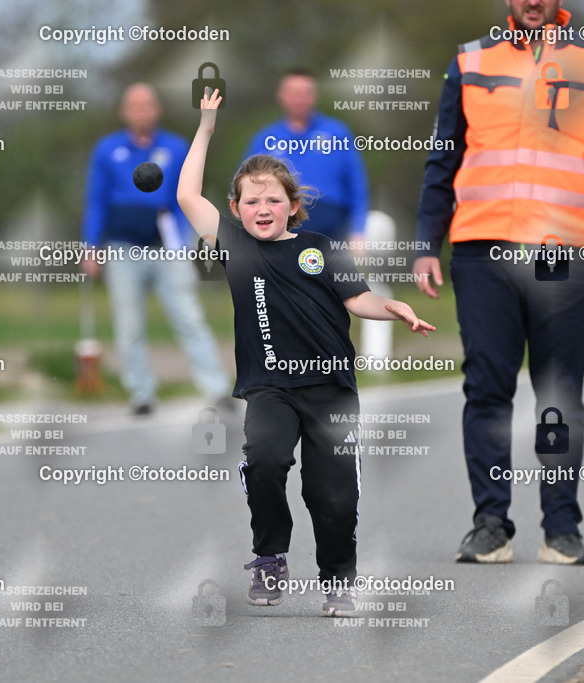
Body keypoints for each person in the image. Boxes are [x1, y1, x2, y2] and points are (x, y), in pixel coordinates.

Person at [414, 0, 584, 565]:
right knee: (486, 389)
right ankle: (490, 525)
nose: (531, 1)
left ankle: (561, 529)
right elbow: (443, 157)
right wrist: (426, 243)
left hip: (567, 251)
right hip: (483, 250)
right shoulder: (471, 61)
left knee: (559, 394)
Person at [179, 87, 434, 615]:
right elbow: (187, 196)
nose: (263, 208)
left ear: (293, 206)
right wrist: (205, 128)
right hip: (269, 387)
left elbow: (358, 299)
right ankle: (270, 557)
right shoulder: (235, 247)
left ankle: (338, 579)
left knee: (332, 496)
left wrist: (394, 308)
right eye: (251, 201)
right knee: (265, 459)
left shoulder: (321, 249)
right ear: (236, 210)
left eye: (274, 199)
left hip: (330, 390)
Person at [81, 83, 232, 415]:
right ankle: (141, 394)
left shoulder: (175, 147)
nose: (141, 111)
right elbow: (96, 201)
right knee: (129, 325)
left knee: (189, 317)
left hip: (167, 246)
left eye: (147, 105)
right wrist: (91, 247)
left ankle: (217, 389)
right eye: (134, 106)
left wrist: (187, 241)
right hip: (123, 248)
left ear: (157, 109)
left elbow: (186, 196)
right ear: (124, 112)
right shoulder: (107, 149)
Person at [244, 69, 369, 243]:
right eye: (293, 93)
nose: (299, 99)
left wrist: (358, 231)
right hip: (280, 229)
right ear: (281, 96)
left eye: (305, 93)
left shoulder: (337, 133)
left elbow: (356, 186)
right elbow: (245, 188)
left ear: (315, 96)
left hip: (331, 230)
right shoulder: (265, 139)